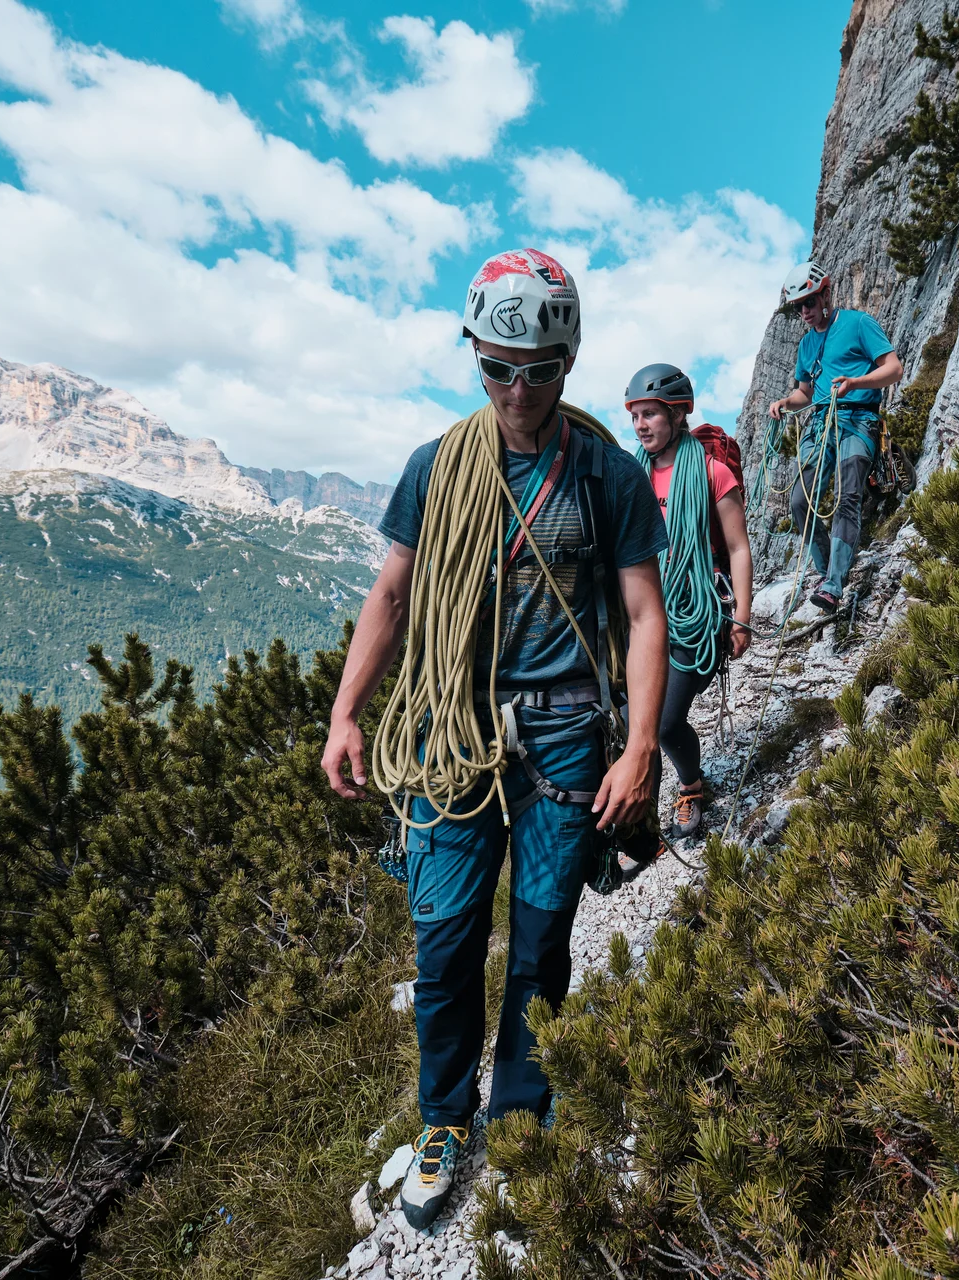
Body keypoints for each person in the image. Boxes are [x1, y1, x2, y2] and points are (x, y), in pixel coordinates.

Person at [320, 248, 668, 1230]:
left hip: (565, 733)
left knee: (542, 938)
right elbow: (394, 593)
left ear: (568, 361)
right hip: (453, 727)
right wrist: (346, 712)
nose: (518, 391)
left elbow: (644, 615)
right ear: (475, 355)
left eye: (539, 370)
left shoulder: (605, 473)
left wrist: (640, 747)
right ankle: (443, 1117)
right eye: (498, 368)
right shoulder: (437, 467)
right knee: (444, 944)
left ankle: (518, 1110)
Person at [625, 363, 753, 841]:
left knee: (662, 722)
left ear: (679, 414)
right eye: (635, 415)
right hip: (645, 611)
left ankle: (691, 787)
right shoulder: (632, 474)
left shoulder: (712, 472)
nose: (641, 425)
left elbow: (738, 548)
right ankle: (642, 823)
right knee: (631, 719)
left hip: (695, 612)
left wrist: (741, 618)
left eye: (651, 414)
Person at [765, 261, 904, 613]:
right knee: (800, 500)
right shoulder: (806, 345)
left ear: (826, 294)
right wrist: (785, 403)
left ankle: (833, 583)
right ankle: (827, 568)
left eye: (809, 302)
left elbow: (893, 369)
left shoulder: (858, 324)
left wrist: (855, 383)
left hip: (858, 419)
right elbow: (805, 393)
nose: (804, 312)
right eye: (798, 307)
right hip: (820, 424)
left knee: (847, 494)